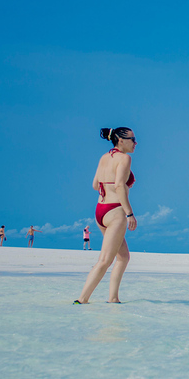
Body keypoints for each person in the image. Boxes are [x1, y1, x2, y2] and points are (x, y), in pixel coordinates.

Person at [75, 127, 138, 304]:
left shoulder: (104, 157)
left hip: (100, 211)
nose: (135, 143)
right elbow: (119, 186)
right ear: (120, 140)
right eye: (133, 139)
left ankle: (113, 298)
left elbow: (95, 185)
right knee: (105, 260)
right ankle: (82, 299)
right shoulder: (125, 158)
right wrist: (129, 214)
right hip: (115, 211)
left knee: (123, 257)